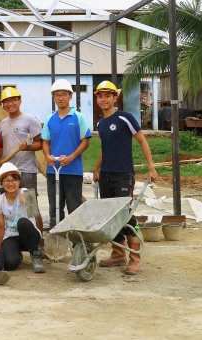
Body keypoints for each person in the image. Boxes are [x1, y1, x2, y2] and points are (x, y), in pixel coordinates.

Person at [93, 80, 158, 275]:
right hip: (105, 175)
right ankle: (118, 254)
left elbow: (142, 140)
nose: (104, 99)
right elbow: (105, 149)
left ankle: (135, 259)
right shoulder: (101, 123)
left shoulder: (125, 118)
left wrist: (151, 167)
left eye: (108, 95)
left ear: (115, 98)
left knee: (126, 216)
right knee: (111, 217)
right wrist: (96, 169)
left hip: (123, 175)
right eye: (100, 96)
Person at [41, 79, 92, 228]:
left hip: (73, 170)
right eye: (57, 95)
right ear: (53, 97)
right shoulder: (50, 119)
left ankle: (77, 243)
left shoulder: (78, 117)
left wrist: (71, 157)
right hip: (53, 170)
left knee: (74, 207)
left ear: (70, 96)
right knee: (54, 208)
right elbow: (45, 141)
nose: (60, 98)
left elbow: (85, 141)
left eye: (64, 94)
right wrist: (47, 156)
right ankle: (58, 241)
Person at [0, 162, 45, 273]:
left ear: (19, 181)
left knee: (22, 222)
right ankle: (17, 255)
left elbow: (37, 216)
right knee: (10, 264)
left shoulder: (26, 192)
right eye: (7, 180)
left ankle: (36, 255)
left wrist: (41, 239)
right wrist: (0, 250)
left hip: (30, 234)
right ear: (2, 183)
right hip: (12, 236)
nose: (10, 183)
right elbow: (1, 226)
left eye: (14, 180)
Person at [0, 87, 43, 195]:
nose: (10, 103)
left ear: (20, 100)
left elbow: (40, 144)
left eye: (13, 100)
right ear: (3, 104)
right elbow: (0, 146)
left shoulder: (30, 120)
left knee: (30, 207)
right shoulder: (3, 124)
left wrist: (28, 147)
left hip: (26, 171)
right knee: (7, 205)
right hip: (7, 170)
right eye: (6, 101)